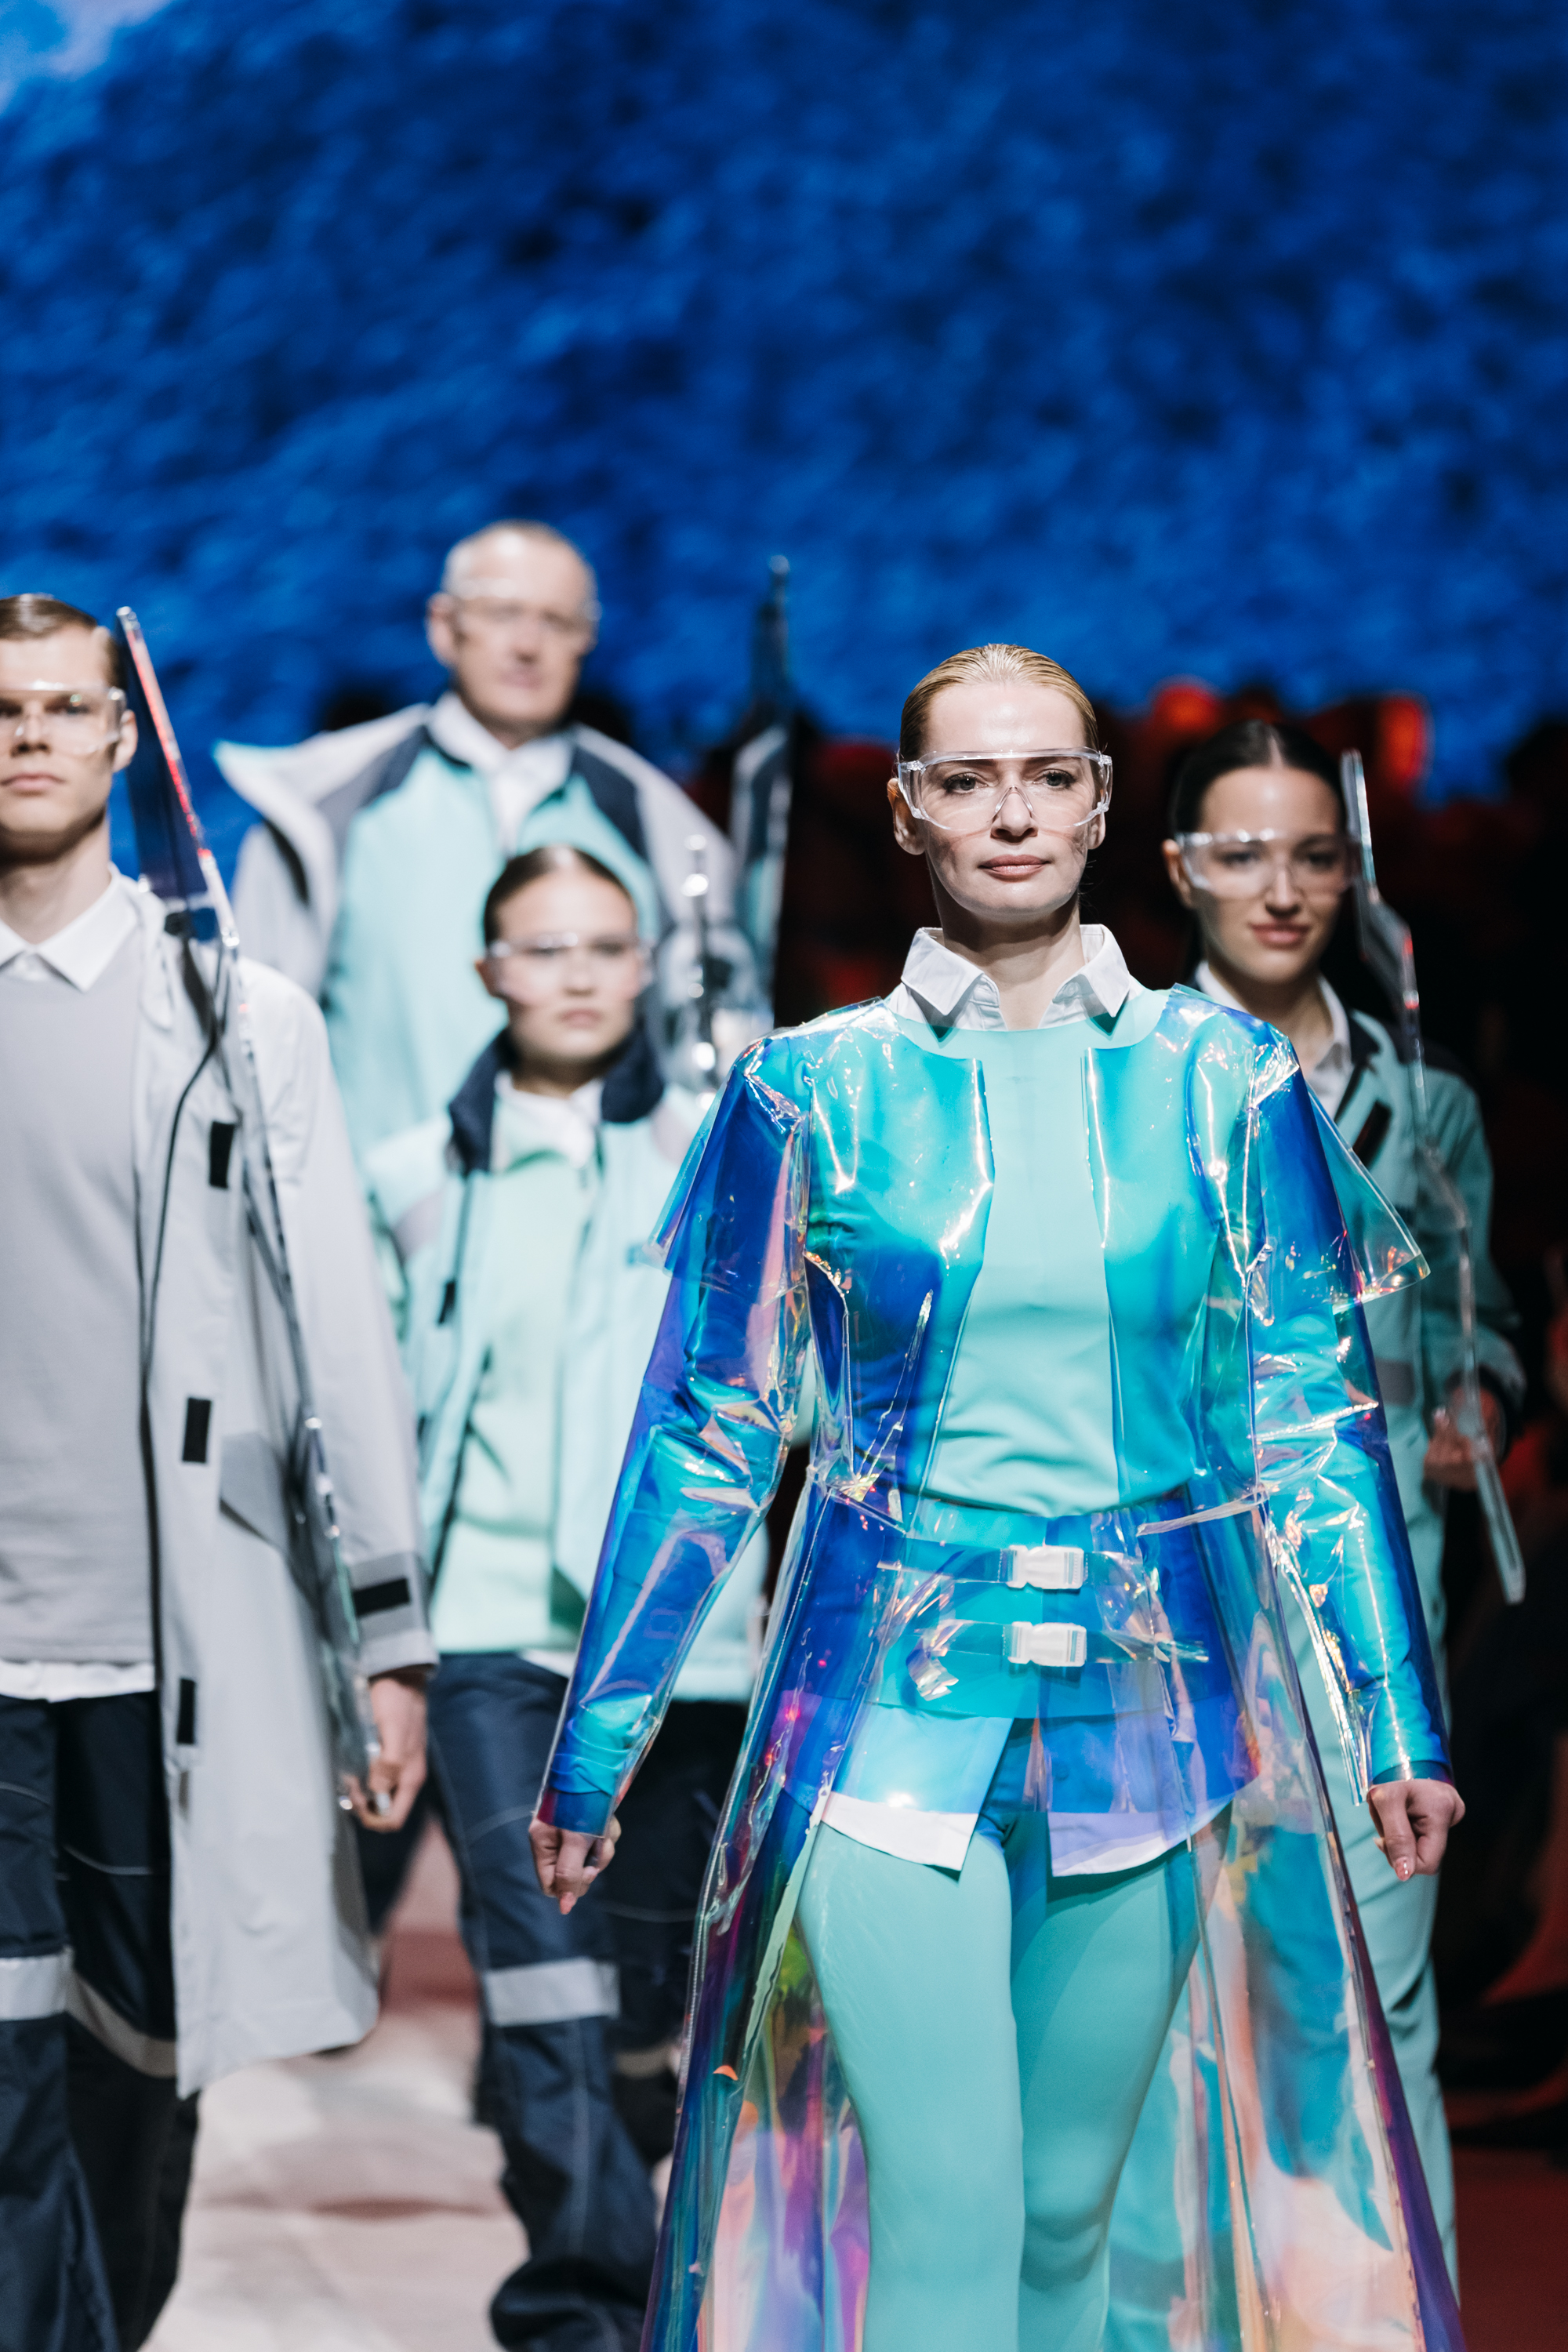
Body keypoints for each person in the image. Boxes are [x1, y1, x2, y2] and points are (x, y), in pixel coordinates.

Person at [530, 643, 1464, 2352]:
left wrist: (1392, 1721)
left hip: (1150, 1721)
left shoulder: (1223, 1084)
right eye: (968, 780)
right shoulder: (808, 1089)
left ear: (1100, 806)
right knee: (949, 2204)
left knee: (1062, 2222)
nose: (1012, 812)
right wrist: (598, 1740)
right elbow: (710, 1427)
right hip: (883, 1719)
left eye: (1048, 776)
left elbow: (1312, 1416)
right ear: (908, 813)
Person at [0, 593, 434, 2352]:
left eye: (62, 707)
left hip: (172, 1641)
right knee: (7, 2077)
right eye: (0, 710)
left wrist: (384, 1642)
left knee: (135, 2070)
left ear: (123, 739)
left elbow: (335, 1335)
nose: (29, 737)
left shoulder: (238, 1017)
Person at [363, 842, 767, 2351]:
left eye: (607, 945)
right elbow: (373, 1410)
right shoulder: (413, 1176)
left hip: (683, 1645)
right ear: (488, 972)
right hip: (489, 1642)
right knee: (541, 1983)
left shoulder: (724, 1148)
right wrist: (380, 1642)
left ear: (651, 964)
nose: (580, 974)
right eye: (544, 948)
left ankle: (625, 2254)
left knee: (647, 2005)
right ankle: (585, 2312)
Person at [1161, 718, 1523, 2270]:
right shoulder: (1119, 1080)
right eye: (1241, 852)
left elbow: (1475, 1324)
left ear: (1352, 873)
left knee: (1379, 2018)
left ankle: (1392, 2313)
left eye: (1312, 854)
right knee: (1175, 2023)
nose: (1280, 887)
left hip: (1372, 1624)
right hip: (1170, 1623)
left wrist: (1476, 1401)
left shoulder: (1425, 1108)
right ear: (1179, 867)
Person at [216, 518, 756, 1160]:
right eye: (502, 614)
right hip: (371, 1207)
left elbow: (709, 1053)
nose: (527, 645)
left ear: (587, 638)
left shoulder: (657, 821)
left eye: (555, 621)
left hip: (602, 1212)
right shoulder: (324, 808)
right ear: (444, 626)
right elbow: (252, 1041)